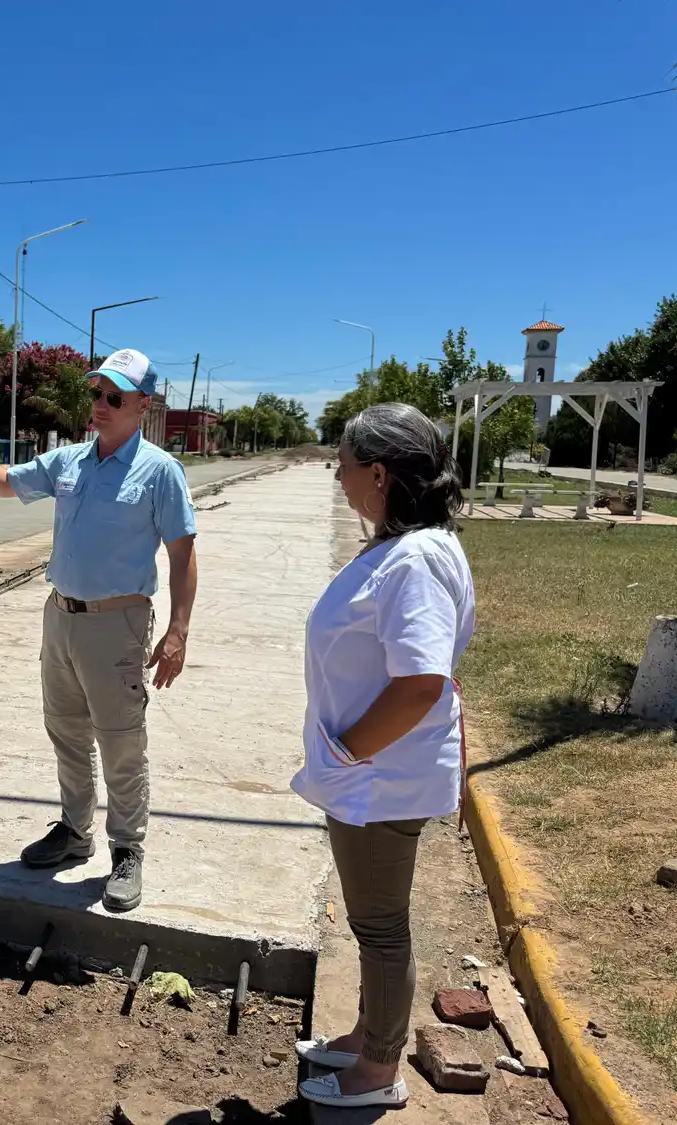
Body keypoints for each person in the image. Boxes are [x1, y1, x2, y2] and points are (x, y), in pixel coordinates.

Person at [0, 348, 197, 912]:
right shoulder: (68, 461)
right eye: (97, 393)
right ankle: (75, 832)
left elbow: (183, 553)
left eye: (115, 397)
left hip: (117, 623)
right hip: (60, 616)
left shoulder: (160, 471)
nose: (101, 404)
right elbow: (3, 483)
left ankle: (127, 849)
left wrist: (178, 630)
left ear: (142, 405)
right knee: (66, 731)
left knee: (120, 740)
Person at [290, 402, 476, 1111]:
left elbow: (422, 681)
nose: (338, 478)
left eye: (343, 466)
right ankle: (367, 1034)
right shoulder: (410, 547)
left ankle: (378, 1067)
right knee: (374, 920)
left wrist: (346, 751)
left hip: (378, 779)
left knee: (380, 927)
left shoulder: (416, 560)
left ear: (378, 473)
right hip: (372, 774)